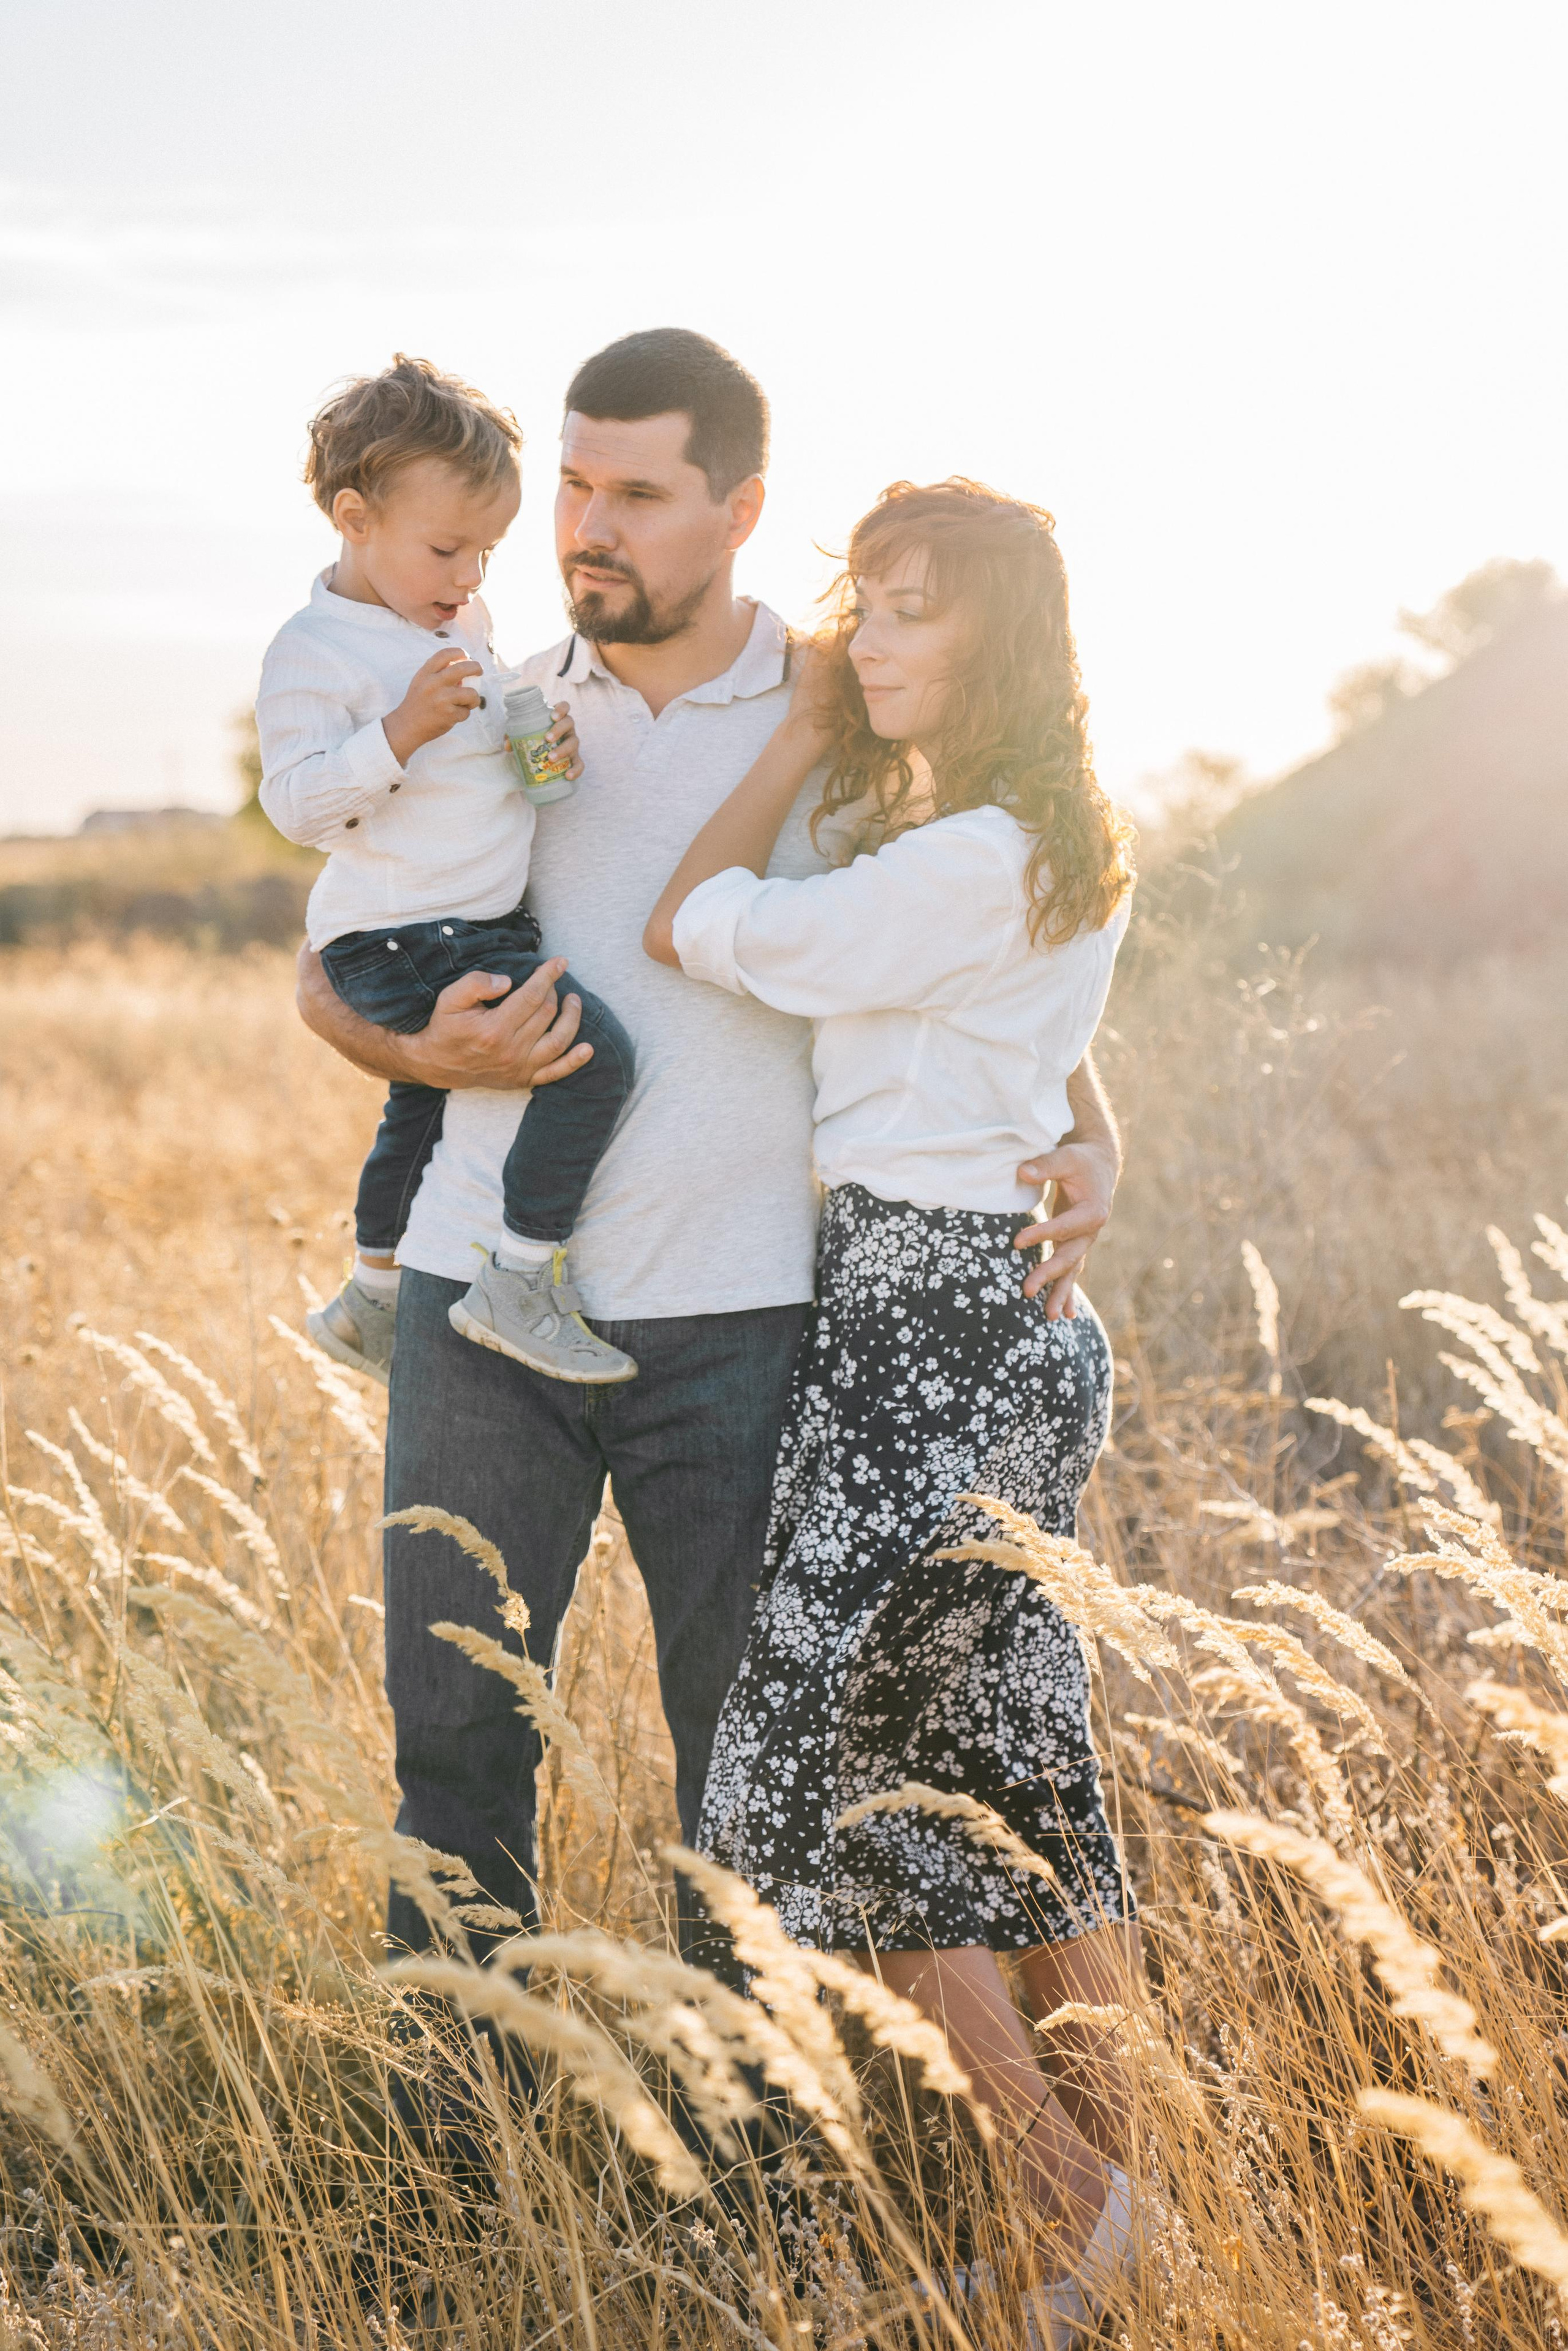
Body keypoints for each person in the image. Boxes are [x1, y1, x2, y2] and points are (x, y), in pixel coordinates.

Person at [294, 331, 1122, 1978]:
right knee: (454, 1747)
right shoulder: (490, 706)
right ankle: (455, 2163)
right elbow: (329, 951)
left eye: (639, 494)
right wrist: (410, 1047)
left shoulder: (852, 716)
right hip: (480, 1304)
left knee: (747, 1775)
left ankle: (757, 2181)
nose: (587, 527)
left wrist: (1094, 1129)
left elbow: (984, 945)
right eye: (576, 489)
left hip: (743, 1324)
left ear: (739, 507)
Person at [645, 477, 1143, 2330]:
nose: (869, 634)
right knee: (1011, 1768)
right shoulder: (1033, 840)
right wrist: (1099, 1135)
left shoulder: (954, 860)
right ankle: (1108, 2204)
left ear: (994, 636)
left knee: (861, 1776)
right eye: (864, 600)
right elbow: (1036, 1046)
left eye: (910, 607)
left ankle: (1071, 2192)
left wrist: (786, 733)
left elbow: (700, 921)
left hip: (924, 1318)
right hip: (984, 1315)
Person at [259, 354, 638, 1389]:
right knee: (592, 1056)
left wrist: (534, 750)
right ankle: (519, 1278)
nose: (471, 578)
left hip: (476, 922)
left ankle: (372, 1296)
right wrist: (398, 733)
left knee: (417, 1110)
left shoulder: (455, 621)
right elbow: (295, 806)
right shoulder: (315, 649)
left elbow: (481, 769)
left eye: (487, 552)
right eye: (446, 549)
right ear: (354, 516)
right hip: (400, 931)